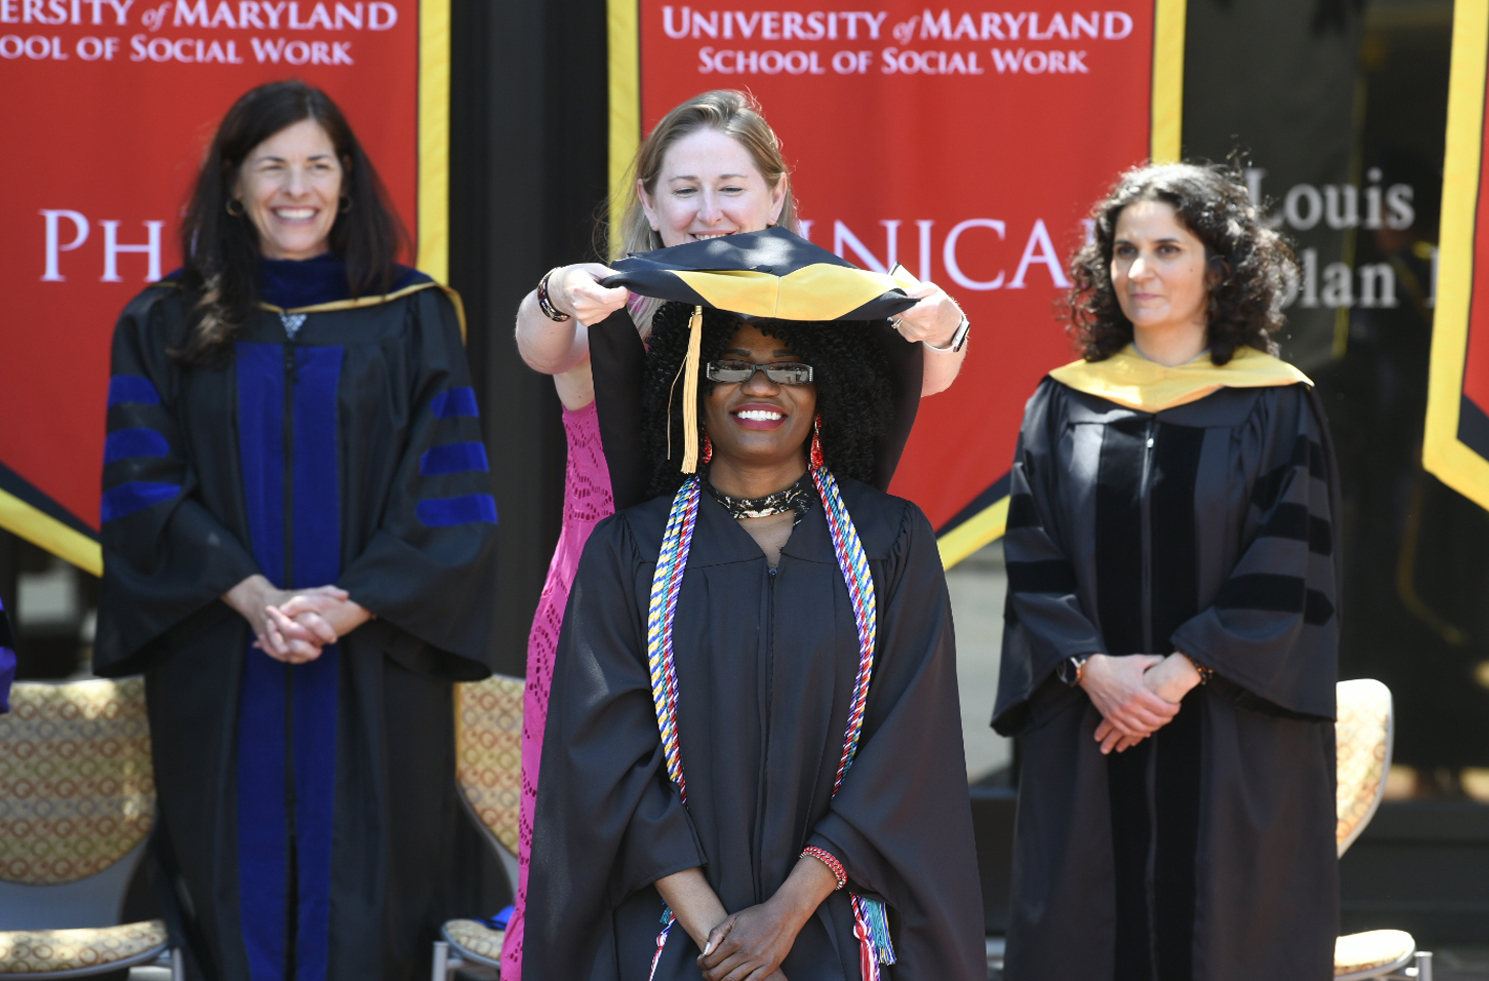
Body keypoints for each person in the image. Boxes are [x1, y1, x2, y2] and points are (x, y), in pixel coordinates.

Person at [502, 89, 971, 978]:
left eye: (729, 187)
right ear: (648, 200)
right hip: (619, 599)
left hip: (797, 598)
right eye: (683, 189)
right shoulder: (615, 304)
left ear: (775, 194)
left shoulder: (820, 302)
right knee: (601, 819)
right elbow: (538, 342)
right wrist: (559, 290)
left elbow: (933, 364)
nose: (706, 210)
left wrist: (940, 317)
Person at [93, 81, 501, 981]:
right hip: (221, 652)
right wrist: (257, 598)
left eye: (318, 164)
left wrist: (344, 608)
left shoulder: (411, 313)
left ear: (347, 182)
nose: (296, 187)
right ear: (232, 184)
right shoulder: (164, 319)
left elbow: (449, 496)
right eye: (270, 165)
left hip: (372, 657)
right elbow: (141, 490)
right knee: (227, 884)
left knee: (372, 886)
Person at [993, 163, 1341, 980]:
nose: (1138, 271)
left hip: (1228, 724)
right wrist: (1092, 668)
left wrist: (1180, 671)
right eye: (1123, 251)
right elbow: (1031, 551)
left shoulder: (1276, 400)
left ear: (1218, 267)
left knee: (1228, 934)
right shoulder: (1063, 400)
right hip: (1094, 723)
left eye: (1165, 250)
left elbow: (1289, 557)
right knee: (1085, 923)